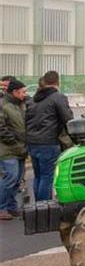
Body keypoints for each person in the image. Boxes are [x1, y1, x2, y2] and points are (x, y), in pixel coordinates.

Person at [26, 71, 73, 202]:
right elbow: (68, 120)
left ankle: (37, 206)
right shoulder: (58, 97)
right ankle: (44, 207)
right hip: (48, 142)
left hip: (32, 142)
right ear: (57, 82)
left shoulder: (32, 100)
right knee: (47, 177)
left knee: (38, 176)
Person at [0, 79, 28, 219]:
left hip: (20, 149)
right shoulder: (4, 105)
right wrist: (13, 141)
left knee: (17, 180)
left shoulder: (21, 105)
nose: (25, 94)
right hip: (8, 150)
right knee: (9, 177)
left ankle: (11, 207)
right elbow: (1, 128)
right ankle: (1, 208)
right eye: (23, 92)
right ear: (15, 92)